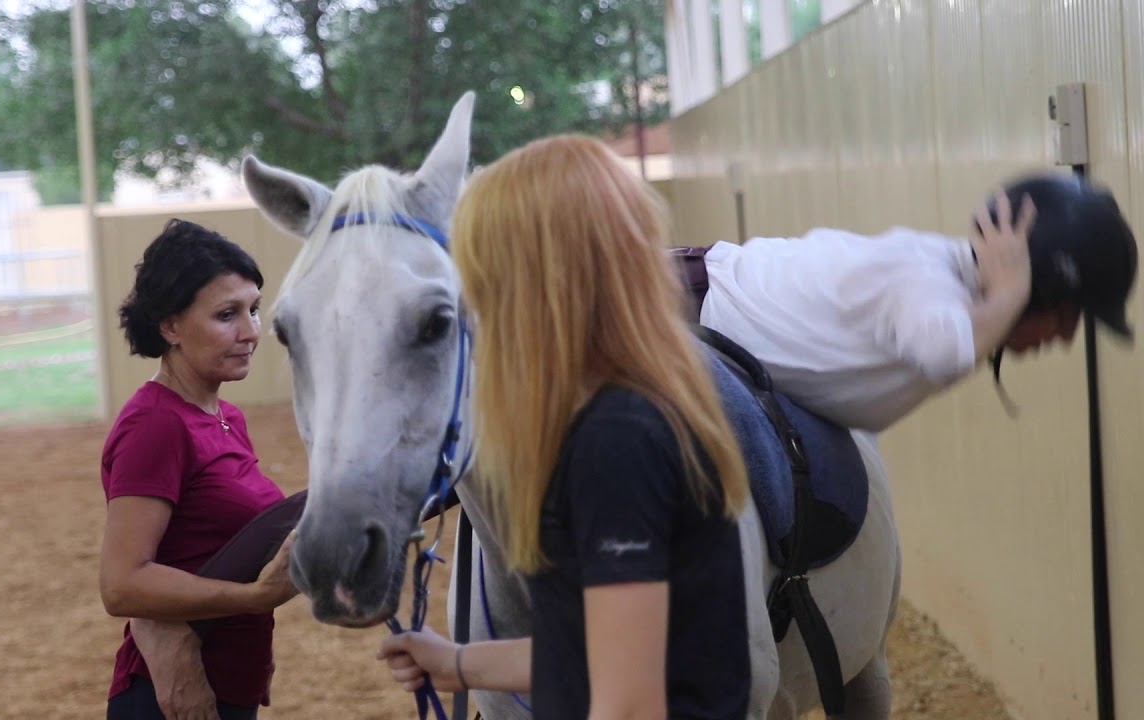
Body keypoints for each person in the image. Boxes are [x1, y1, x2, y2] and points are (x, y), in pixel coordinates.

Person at [378, 134, 756, 718]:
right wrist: (456, 663)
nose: (474, 302)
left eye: (481, 275)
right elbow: (606, 646)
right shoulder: (628, 414)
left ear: (534, 284)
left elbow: (627, 706)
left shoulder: (617, 442)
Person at [697, 172, 1137, 432]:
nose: (1065, 338)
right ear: (1033, 287)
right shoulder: (921, 273)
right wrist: (1010, 293)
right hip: (673, 306)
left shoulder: (952, 294)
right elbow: (943, 352)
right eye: (1065, 315)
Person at [99, 218, 299, 720]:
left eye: (253, 310)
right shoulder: (156, 425)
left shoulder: (226, 417)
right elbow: (122, 584)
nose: (251, 332)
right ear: (170, 326)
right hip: (169, 700)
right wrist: (253, 599)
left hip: (230, 683)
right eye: (226, 315)